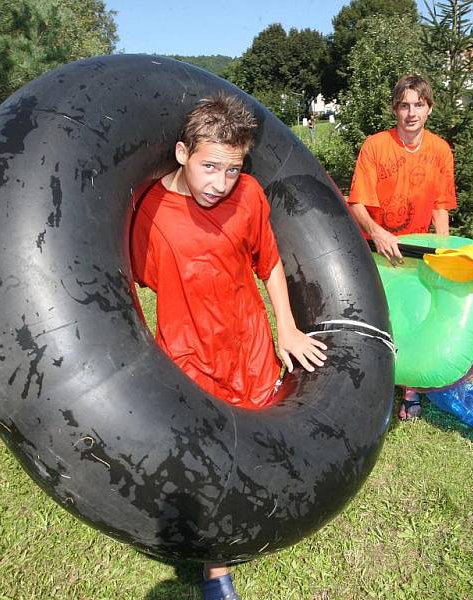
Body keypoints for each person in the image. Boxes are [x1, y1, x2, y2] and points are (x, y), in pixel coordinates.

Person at [130, 94, 328, 600]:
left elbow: (269, 262)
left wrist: (285, 325)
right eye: (209, 167)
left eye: (232, 170)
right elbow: (122, 283)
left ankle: (260, 515)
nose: (220, 184)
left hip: (251, 344)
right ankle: (216, 568)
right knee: (209, 457)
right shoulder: (148, 211)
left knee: (260, 437)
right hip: (189, 354)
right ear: (181, 153)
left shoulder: (250, 195)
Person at [347, 74, 458, 419]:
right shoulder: (376, 145)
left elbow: (441, 204)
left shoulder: (440, 150)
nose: (411, 113)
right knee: (377, 315)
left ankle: (410, 389)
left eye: (418, 105)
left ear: (429, 109)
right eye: (404, 105)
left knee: (413, 316)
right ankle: (375, 386)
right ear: (395, 109)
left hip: (415, 249)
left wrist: (441, 249)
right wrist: (378, 234)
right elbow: (357, 205)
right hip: (376, 246)